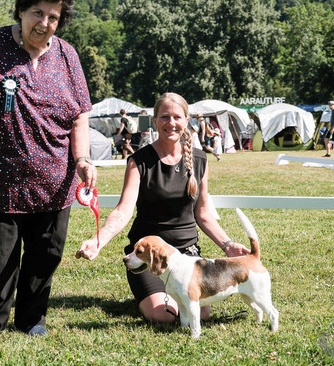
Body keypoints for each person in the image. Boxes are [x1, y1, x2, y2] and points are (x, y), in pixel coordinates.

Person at [0, 0, 96, 342]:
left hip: (55, 180)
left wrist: (82, 158)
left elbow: (80, 114)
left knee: (47, 254)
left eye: (53, 17)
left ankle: (32, 318)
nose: (44, 23)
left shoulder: (67, 55)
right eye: (37, 13)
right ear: (20, 12)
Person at [76, 93, 249, 324]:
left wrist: (228, 245)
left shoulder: (200, 159)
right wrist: (99, 240)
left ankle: (168, 294)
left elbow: (203, 213)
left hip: (187, 255)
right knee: (165, 316)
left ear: (186, 120)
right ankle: (153, 294)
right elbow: (123, 211)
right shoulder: (139, 161)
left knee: (201, 314)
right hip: (149, 256)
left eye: (177, 117)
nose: (171, 123)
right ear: (155, 120)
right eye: (165, 117)